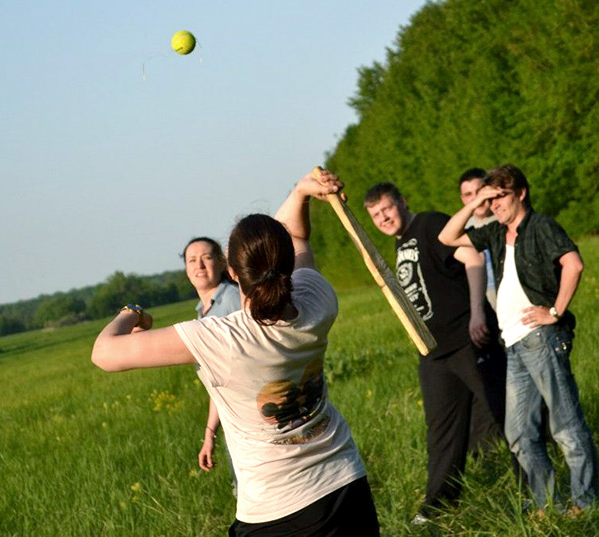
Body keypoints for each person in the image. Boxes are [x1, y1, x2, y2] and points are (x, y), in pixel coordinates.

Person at [92, 169, 379, 536]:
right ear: (288, 263)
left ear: (231, 271)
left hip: (277, 510)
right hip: (345, 482)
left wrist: (131, 310)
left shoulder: (222, 338)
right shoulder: (318, 298)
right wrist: (301, 193)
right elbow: (297, 235)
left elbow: (104, 353)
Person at [438, 163, 599, 514]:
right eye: (491, 198)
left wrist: (554, 312)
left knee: (566, 427)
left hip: (542, 337)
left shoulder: (541, 227)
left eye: (501, 197)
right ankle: (546, 503)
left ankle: (586, 504)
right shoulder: (496, 232)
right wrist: (475, 201)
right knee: (520, 435)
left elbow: (574, 264)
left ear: (521, 193)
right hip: (512, 343)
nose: (495, 205)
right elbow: (447, 237)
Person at [363, 182, 504, 522]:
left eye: (387, 208)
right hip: (434, 351)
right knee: (441, 429)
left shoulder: (429, 224)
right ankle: (438, 505)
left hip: (468, 337)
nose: (383, 217)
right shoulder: (400, 245)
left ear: (403, 201)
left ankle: (538, 482)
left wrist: (477, 313)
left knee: (504, 409)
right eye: (376, 215)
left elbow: (472, 258)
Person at [181, 237, 241, 487]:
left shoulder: (232, 299)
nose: (200, 266)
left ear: (221, 262)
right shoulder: (202, 312)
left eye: (206, 257)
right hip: (232, 420)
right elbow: (217, 382)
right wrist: (210, 435)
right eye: (192, 260)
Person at [459, 168, 498, 310]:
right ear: (462, 199)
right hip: (482, 305)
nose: (476, 199)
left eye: (479, 191)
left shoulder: (505, 218)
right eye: (468, 194)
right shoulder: (462, 229)